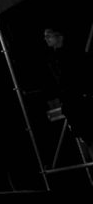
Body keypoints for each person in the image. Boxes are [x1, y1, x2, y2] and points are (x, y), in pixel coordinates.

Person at [43, 27, 92, 156]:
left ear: (59, 36)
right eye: (45, 36)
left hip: (81, 100)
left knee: (89, 135)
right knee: (85, 138)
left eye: (49, 35)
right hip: (70, 103)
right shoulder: (52, 59)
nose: (46, 39)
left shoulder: (73, 54)